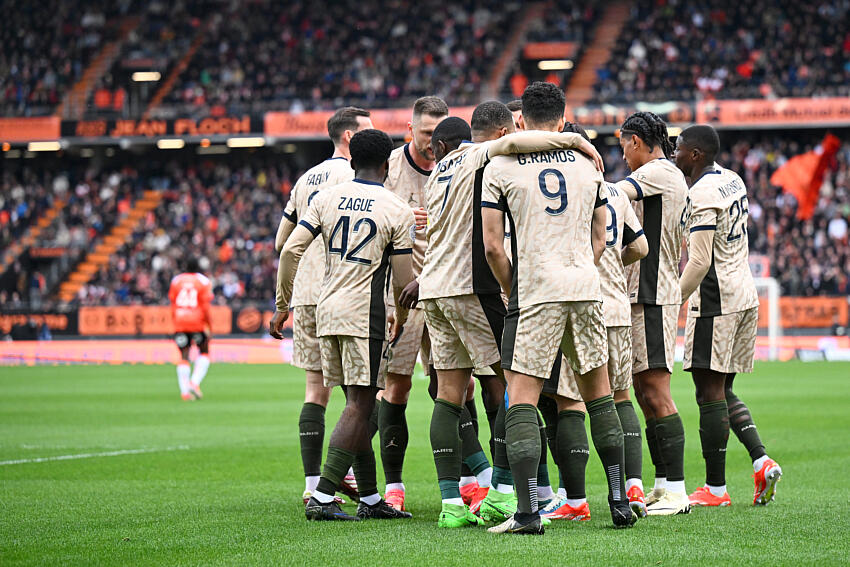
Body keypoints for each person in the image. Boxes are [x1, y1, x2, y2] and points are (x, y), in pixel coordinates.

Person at [414, 106, 603, 527]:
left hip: (435, 287)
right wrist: (573, 139)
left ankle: (450, 506)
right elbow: (520, 143)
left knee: (448, 393)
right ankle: (504, 493)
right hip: (472, 284)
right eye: (509, 132)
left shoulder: (441, 166)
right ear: (500, 132)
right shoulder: (484, 154)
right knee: (515, 385)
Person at [481, 82, 635, 534]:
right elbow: (602, 232)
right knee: (599, 395)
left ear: (521, 119)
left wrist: (514, 286)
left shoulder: (501, 165)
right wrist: (583, 265)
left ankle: (527, 513)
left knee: (523, 399)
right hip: (586, 285)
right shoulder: (590, 164)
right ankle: (620, 501)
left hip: (537, 288)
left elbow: (493, 246)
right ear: (565, 116)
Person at [271, 129, 416, 522]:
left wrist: (282, 304)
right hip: (362, 313)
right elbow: (404, 281)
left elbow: (289, 250)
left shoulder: (324, 198)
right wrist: (400, 319)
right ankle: (322, 495)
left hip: (325, 308)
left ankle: (369, 499)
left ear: (351, 162)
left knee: (355, 400)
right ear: (388, 164)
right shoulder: (396, 208)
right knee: (362, 405)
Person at [542, 123, 650, 521]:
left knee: (571, 401)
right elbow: (639, 246)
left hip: (578, 303)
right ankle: (630, 486)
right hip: (617, 306)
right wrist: (611, 264)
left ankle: (575, 501)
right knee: (619, 396)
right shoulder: (615, 191)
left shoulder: (556, 188)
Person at [674, 124, 782, 507]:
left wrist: (674, 301)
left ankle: (715, 489)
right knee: (723, 389)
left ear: (697, 155)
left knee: (708, 393)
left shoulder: (702, 194)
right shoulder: (733, 179)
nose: (675, 154)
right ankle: (761, 459)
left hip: (716, 301)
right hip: (744, 293)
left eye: (680, 149)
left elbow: (700, 260)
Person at [274, 106, 373, 505]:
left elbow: (283, 241)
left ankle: (313, 485)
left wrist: (285, 298)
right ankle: (356, 483)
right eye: (368, 130)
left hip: (306, 295)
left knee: (315, 391)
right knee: (360, 395)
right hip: (346, 294)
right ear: (350, 137)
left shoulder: (306, 178)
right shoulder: (360, 176)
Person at [615, 111, 690, 515]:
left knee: (657, 391)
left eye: (623, 145)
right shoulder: (661, 175)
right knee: (644, 391)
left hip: (653, 293)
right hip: (639, 293)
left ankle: (678, 490)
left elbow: (612, 194)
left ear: (636, 142)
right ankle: (663, 483)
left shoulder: (659, 173)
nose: (623, 154)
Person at [378, 96, 449, 511]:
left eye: (437, 134)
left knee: (453, 384)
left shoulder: (455, 164)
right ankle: (393, 487)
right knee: (397, 386)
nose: (432, 142)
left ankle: (463, 485)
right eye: (425, 134)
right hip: (399, 295)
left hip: (442, 291)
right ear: (411, 130)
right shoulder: (391, 167)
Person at [168, 258, 213, 401]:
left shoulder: (176, 280)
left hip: (180, 321)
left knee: (184, 356)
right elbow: (205, 306)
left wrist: (175, 321)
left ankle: (185, 393)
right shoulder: (203, 281)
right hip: (197, 322)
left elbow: (173, 302)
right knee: (204, 351)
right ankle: (194, 382)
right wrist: (208, 325)